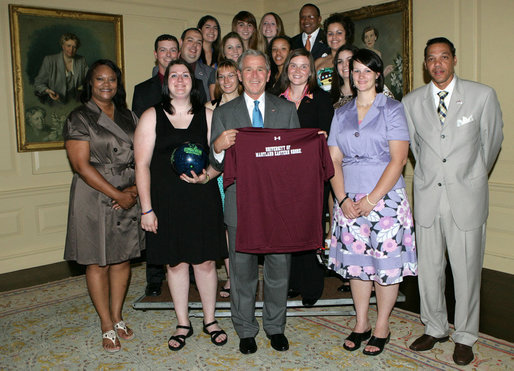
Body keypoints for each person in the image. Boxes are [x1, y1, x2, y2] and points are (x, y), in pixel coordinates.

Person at [402, 37, 503, 366]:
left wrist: (470, 176)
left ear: (454, 60)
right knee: (429, 271)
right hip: (429, 195)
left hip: (466, 198)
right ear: (425, 64)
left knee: (467, 271)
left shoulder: (481, 96)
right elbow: (416, 149)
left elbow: (491, 144)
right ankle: (434, 326)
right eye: (431, 59)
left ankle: (465, 335)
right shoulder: (412, 101)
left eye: (444, 57)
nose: (438, 64)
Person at [327, 49, 417, 356]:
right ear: (349, 75)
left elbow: (399, 159)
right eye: (356, 71)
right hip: (349, 201)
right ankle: (361, 323)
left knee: (385, 267)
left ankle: (382, 326)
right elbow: (334, 160)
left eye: (367, 70)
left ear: (378, 74)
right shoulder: (341, 113)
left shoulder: (392, 109)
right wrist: (342, 199)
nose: (361, 76)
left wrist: (371, 199)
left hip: (386, 201)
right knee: (357, 266)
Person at [210, 49, 300, 354]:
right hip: (240, 203)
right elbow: (215, 161)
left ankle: (275, 327)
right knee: (242, 271)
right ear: (238, 74)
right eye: (248, 70)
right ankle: (246, 329)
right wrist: (219, 147)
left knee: (278, 269)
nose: (255, 76)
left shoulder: (285, 109)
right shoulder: (224, 113)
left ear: (269, 73)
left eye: (261, 70)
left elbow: (297, 158)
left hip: (277, 206)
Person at [134, 60, 228, 351]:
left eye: (185, 75)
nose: (179, 80)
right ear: (166, 82)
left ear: (193, 81)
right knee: (175, 265)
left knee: (206, 262)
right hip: (167, 202)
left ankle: (211, 320)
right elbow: (141, 165)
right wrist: (147, 209)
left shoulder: (210, 115)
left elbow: (222, 160)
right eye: (173, 75)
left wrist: (207, 177)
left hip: (202, 198)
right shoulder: (151, 116)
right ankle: (183, 322)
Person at [62, 59, 144, 353]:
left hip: (128, 190)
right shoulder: (79, 117)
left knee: (122, 259)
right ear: (90, 83)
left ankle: (119, 316)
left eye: (111, 79)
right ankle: (106, 324)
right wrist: (118, 194)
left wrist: (134, 189)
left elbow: (142, 157)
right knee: (97, 260)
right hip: (94, 193)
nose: (106, 84)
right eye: (100, 79)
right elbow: (81, 166)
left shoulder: (129, 116)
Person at [275, 48, 334, 306]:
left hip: (312, 177)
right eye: (293, 65)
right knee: (286, 229)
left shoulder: (321, 99)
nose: (298, 71)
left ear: (310, 71)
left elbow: (328, 135)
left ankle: (311, 286)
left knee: (311, 228)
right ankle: (291, 283)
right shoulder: (275, 99)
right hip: (282, 177)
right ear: (286, 68)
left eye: (303, 66)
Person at [132, 34, 182, 297]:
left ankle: (190, 271)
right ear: (156, 54)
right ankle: (154, 277)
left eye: (173, 50)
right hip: (155, 162)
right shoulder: (143, 90)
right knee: (155, 222)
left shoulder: (192, 84)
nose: (169, 54)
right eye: (163, 50)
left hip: (186, 163)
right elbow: (138, 130)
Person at [205, 59, 243, 298]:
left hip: (246, 175)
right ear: (217, 81)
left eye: (231, 75)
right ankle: (232, 278)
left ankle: (244, 275)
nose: (227, 81)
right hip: (219, 174)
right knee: (228, 227)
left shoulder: (250, 104)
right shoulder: (209, 108)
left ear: (239, 77)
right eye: (222, 76)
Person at [34, 33, 88, 104]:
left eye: (74, 47)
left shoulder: (81, 60)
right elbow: (38, 83)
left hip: (75, 102)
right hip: (56, 101)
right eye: (68, 46)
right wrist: (47, 91)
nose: (71, 49)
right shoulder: (50, 60)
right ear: (63, 46)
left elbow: (89, 79)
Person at [314, 13, 354, 92]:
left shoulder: (356, 59)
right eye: (330, 34)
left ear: (347, 34)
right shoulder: (318, 62)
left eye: (339, 33)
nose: (334, 37)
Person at [180, 28, 214, 101]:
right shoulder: (165, 69)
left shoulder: (210, 73)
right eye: (190, 40)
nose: (194, 45)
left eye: (198, 43)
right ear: (181, 42)